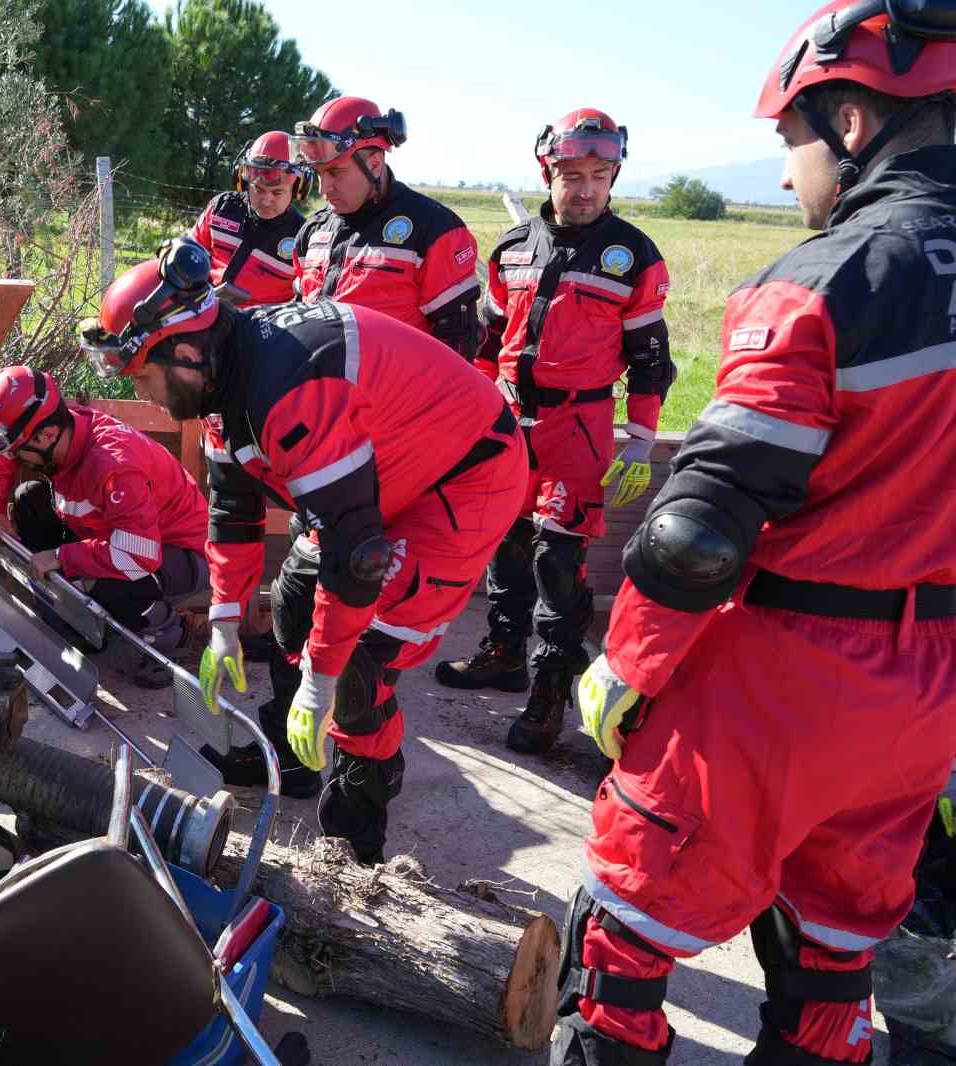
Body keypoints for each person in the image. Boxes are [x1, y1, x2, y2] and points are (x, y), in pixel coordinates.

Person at [550, 3, 956, 1062]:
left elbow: (698, 528)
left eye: (792, 143)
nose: (785, 179)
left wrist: (627, 664)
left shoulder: (824, 280)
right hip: (928, 700)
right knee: (832, 961)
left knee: (617, 945)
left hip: (784, 681)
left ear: (854, 123)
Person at [81, 237, 526, 860]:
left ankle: (358, 822)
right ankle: (293, 758)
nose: (148, 397)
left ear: (184, 351)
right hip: (377, 478)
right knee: (292, 608)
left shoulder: (288, 391)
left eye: (145, 379)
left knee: (357, 667)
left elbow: (358, 554)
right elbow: (233, 513)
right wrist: (227, 620)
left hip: (459, 481)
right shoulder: (225, 382)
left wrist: (322, 678)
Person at [435, 108, 675, 756]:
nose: (586, 188)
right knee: (505, 544)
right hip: (510, 423)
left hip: (581, 429)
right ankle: (504, 653)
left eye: (600, 175)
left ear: (614, 176)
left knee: (558, 563)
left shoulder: (633, 257)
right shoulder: (512, 249)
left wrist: (643, 441)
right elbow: (486, 344)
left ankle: (547, 695)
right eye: (573, 174)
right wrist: (475, 415)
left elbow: (651, 361)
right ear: (549, 172)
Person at [0, 366, 209, 687]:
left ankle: (168, 637)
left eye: (13, 447)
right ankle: (80, 622)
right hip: (118, 535)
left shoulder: (113, 466)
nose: (8, 455)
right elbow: (3, 455)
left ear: (46, 436)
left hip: (182, 554)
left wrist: (62, 557)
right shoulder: (58, 428)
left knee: (114, 582)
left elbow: (137, 555)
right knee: (29, 499)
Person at [288, 96, 480, 356]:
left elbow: (457, 343)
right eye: (319, 174)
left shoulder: (434, 230)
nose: (323, 189)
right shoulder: (311, 232)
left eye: (335, 173)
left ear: (375, 164)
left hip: (397, 395)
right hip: (320, 392)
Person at [188, 131, 310, 308]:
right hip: (205, 309)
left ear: (298, 189)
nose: (267, 201)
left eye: (277, 192)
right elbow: (190, 252)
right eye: (258, 189)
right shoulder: (222, 208)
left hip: (264, 328)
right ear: (243, 182)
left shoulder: (304, 237)